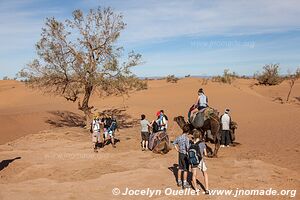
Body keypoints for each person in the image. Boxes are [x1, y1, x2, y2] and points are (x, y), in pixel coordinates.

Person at [190, 130, 209, 195]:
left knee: (194, 175)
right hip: (200, 160)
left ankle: (196, 190)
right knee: (205, 173)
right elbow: (205, 154)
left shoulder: (191, 143)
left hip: (193, 160)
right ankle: (207, 189)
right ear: (200, 136)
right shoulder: (202, 143)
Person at [173, 124, 191, 189]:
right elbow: (188, 147)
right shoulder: (186, 138)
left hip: (180, 154)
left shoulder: (179, 137)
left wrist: (177, 150)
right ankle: (185, 183)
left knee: (180, 168)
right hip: (185, 155)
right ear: (188, 131)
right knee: (186, 169)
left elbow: (174, 143)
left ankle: (179, 181)